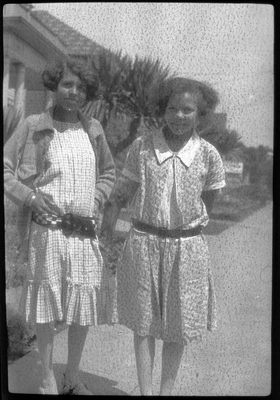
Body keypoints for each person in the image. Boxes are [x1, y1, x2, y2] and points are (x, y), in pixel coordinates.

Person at [101, 77, 226, 395]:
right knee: (143, 325)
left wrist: (185, 228)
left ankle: (165, 393)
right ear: (162, 110)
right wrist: (108, 235)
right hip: (144, 244)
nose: (179, 116)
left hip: (187, 248)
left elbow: (208, 201)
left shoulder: (208, 154)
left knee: (178, 326)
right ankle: (145, 392)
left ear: (200, 114)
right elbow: (121, 194)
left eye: (188, 110)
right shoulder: (142, 148)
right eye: (173, 108)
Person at [4, 58, 115, 395]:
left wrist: (97, 197)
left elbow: (108, 173)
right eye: (68, 84)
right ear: (54, 85)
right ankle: (47, 378)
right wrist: (29, 196)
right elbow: (5, 168)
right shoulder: (34, 125)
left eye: (81, 88)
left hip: (83, 232)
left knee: (82, 306)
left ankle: (72, 376)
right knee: (46, 303)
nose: (74, 92)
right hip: (46, 232)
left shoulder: (93, 129)